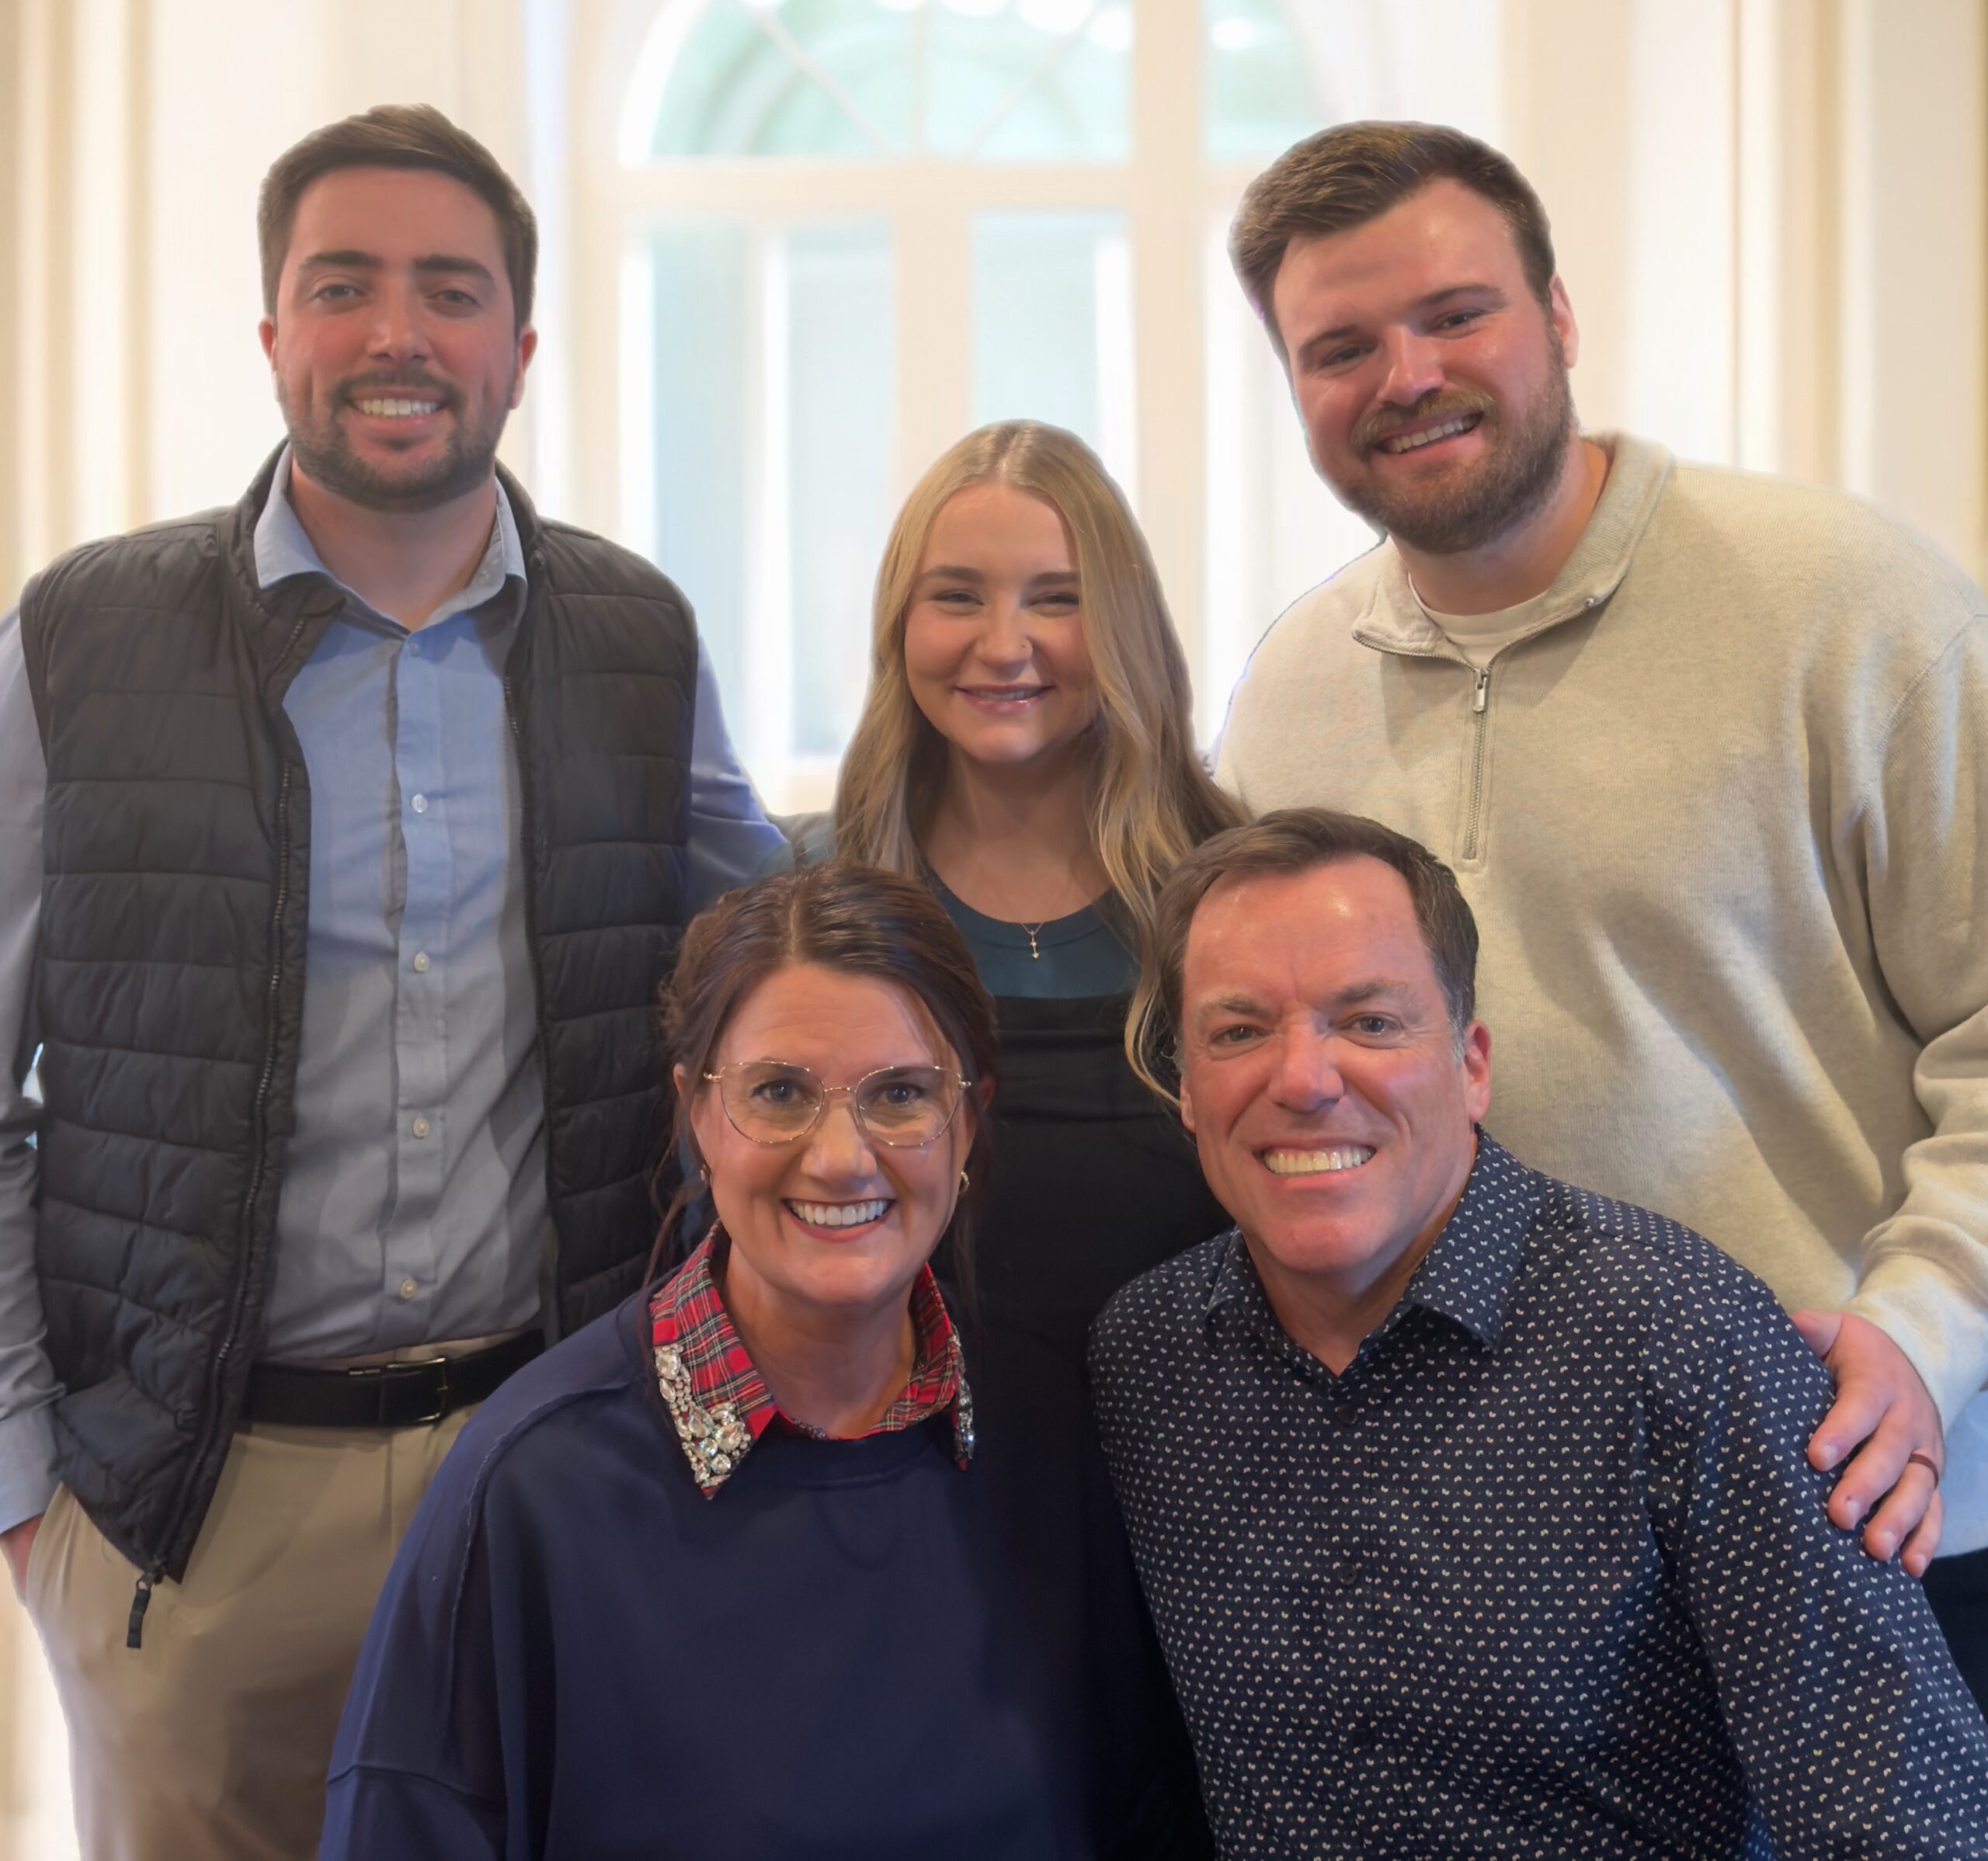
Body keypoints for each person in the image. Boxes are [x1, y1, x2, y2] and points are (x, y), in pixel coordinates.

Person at [0, 104, 780, 1857]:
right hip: (192, 1517)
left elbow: (786, 971)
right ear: (271, 328)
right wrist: (31, 1503)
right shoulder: (80, 640)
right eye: (341, 285)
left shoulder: (637, 639)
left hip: (548, 1463)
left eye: (450, 289)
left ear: (520, 346)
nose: (395, 334)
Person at [1211, 120, 1988, 1703]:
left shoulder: (1851, 606)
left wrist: (1920, 1328)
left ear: (1557, 317)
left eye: (1455, 315)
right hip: (1493, 1559)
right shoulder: (1288, 691)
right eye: (1340, 348)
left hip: (1859, 1507)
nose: (1407, 375)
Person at [1091, 807, 1988, 1858]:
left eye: (1369, 1022)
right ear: (1186, 1088)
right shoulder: (1146, 1360)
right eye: (1239, 1032)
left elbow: (1902, 1816)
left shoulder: (1682, 1339)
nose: (1303, 1079)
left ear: (1471, 1065)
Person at [325, 861, 1137, 1856]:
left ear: (967, 1120)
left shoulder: (1054, 1435)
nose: (840, 1157)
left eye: (900, 1094)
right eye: (779, 1092)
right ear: (697, 1116)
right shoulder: (532, 1485)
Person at [832, 420, 1242, 1849]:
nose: (1004, 644)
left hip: (1205, 1546)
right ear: (901, 624)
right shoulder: (822, 909)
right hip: (909, 1540)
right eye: (957, 595)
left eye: (1056, 599)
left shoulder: (1230, 896)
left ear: (1119, 623)